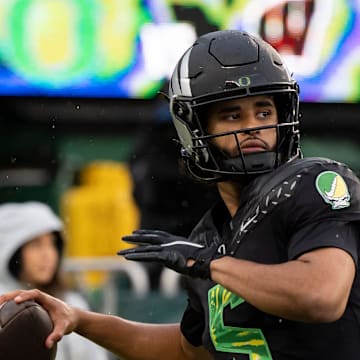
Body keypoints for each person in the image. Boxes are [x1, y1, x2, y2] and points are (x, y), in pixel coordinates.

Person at [1, 30, 360, 360]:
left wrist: (206, 264)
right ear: (195, 131)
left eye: (264, 111)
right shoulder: (207, 237)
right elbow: (186, 350)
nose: (253, 127)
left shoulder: (315, 184)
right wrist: (79, 318)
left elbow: (320, 297)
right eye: (232, 116)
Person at [0, 201, 109, 360]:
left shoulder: (73, 304)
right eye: (36, 244)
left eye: (52, 244)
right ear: (11, 250)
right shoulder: (2, 307)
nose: (47, 254)